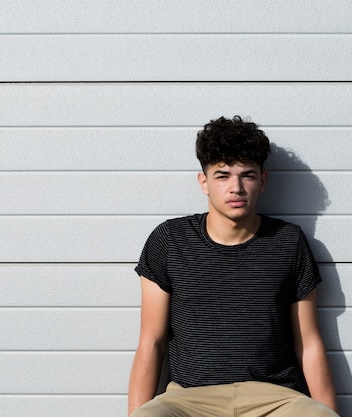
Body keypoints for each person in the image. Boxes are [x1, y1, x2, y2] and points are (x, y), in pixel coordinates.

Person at [128, 116, 339, 417]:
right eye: (223, 175)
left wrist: (328, 411)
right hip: (190, 400)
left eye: (247, 175)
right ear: (204, 182)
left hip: (276, 399)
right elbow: (151, 342)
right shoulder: (169, 241)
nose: (236, 188)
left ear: (263, 181)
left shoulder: (289, 242)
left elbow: (309, 343)